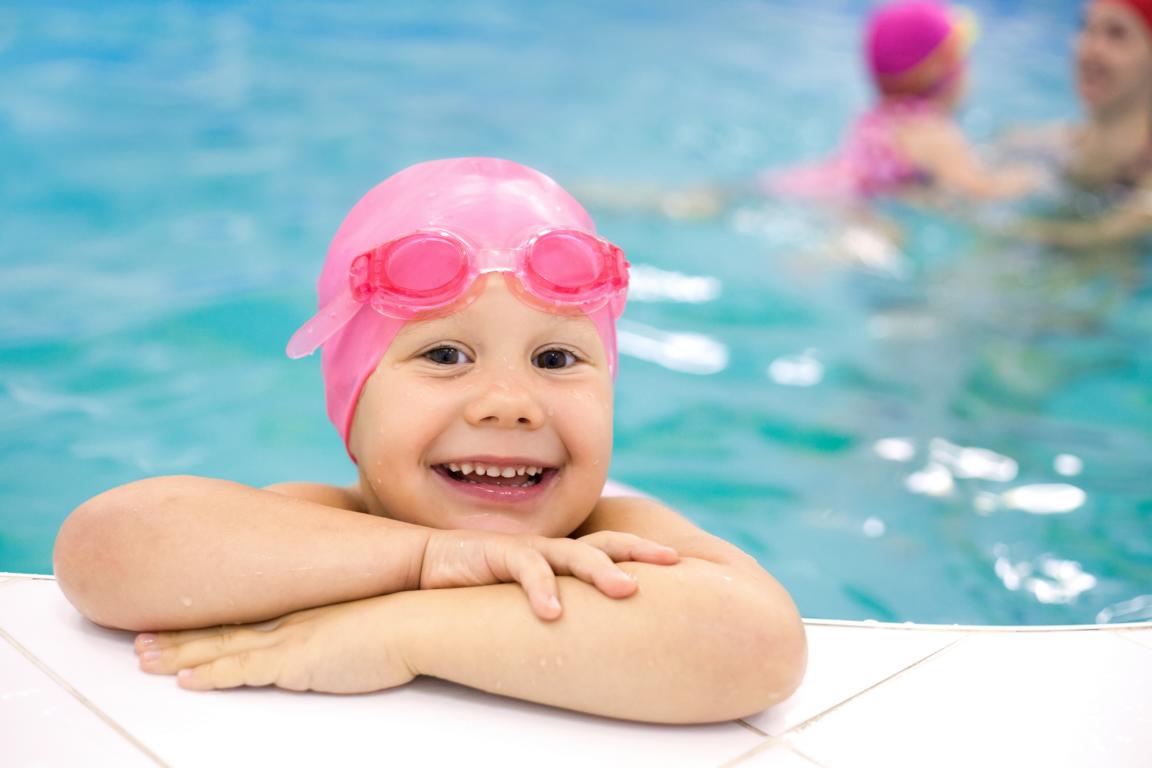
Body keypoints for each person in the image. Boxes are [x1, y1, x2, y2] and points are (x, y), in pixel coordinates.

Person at [52, 157, 806, 724]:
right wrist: (428, 559)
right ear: (353, 405)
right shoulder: (325, 526)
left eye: (555, 359)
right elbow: (102, 552)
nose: (510, 405)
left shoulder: (612, 532)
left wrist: (402, 633)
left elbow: (757, 647)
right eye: (445, 355)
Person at [766, 0, 1039, 204]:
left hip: (828, 181)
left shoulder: (878, 116)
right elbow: (976, 191)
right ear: (945, 68)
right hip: (866, 202)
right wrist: (1024, 180)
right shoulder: (933, 131)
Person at [1005, 0, 1152, 248]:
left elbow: (1096, 240)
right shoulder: (1045, 143)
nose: (1091, 49)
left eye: (1116, 34)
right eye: (1086, 28)